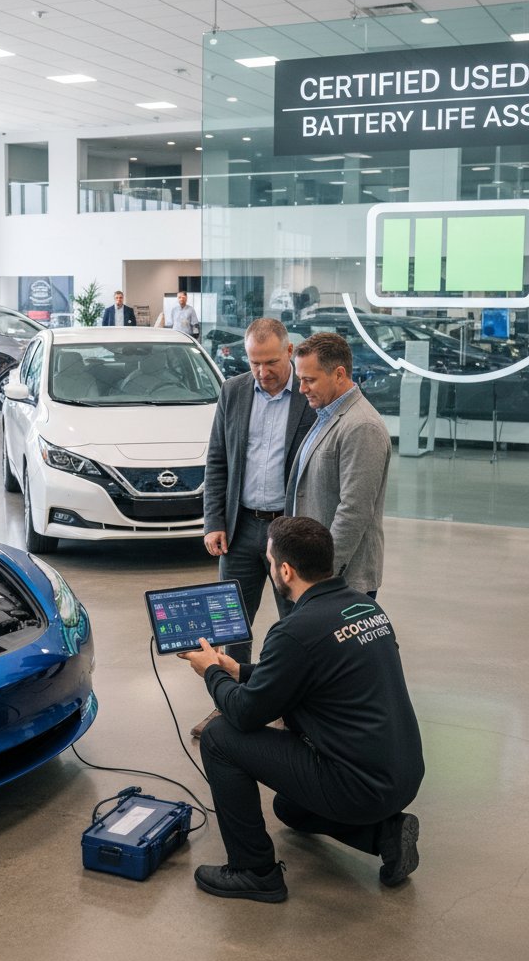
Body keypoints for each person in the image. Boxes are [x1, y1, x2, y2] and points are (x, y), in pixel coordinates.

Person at [180, 516, 424, 903]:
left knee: (218, 737)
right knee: (290, 809)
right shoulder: (363, 606)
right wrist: (237, 669)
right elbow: (309, 671)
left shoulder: (296, 630)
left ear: (285, 570)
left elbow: (245, 714)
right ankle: (385, 836)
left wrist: (211, 672)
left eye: (269, 559)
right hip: (402, 774)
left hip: (356, 786)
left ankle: (254, 871)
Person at [198, 318, 315, 736]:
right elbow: (217, 460)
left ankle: (289, 707)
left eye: (269, 362)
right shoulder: (232, 392)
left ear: (288, 352)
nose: (262, 372)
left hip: (289, 531)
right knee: (232, 623)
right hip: (241, 525)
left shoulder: (307, 395)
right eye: (254, 362)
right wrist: (214, 521)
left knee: (294, 624)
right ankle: (230, 703)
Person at [287, 332, 390, 599]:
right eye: (300, 379)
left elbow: (353, 511)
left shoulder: (362, 427)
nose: (302, 389)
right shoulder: (326, 413)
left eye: (309, 380)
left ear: (339, 374)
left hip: (340, 581)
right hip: (314, 574)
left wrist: (323, 575)